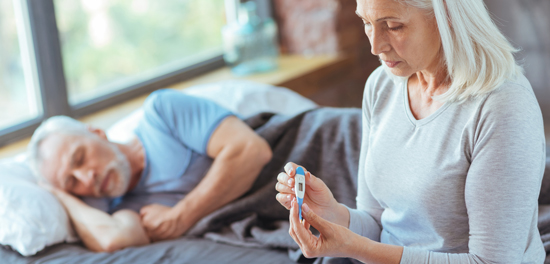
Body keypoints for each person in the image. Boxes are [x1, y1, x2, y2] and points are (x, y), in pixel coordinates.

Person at [275, 0, 546, 263]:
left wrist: (356, 248)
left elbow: (491, 261)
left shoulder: (504, 107)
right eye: (366, 22)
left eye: (393, 26)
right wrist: (332, 214)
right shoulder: (382, 85)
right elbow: (378, 223)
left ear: (447, 17)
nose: (374, 46)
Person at [27, 89, 272, 252]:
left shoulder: (161, 114)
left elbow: (251, 150)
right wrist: (60, 196)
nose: (86, 177)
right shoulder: (122, 208)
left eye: (79, 158)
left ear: (97, 133)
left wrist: (181, 216)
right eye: (71, 183)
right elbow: (115, 239)